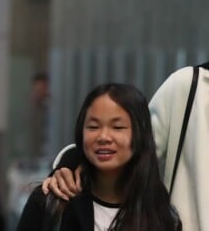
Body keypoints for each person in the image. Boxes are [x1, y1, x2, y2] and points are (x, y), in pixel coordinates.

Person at [43, 63, 209, 231]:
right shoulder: (190, 85)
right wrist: (70, 166)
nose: (103, 136)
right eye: (93, 127)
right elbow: (136, 141)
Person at [19, 83, 181, 230]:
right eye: (93, 126)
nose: (103, 137)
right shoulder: (50, 203)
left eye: (117, 127)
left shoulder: (161, 217)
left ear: (140, 135)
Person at [29, 72, 50, 157]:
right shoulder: (34, 110)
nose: (37, 93)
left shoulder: (53, 110)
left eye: (40, 90)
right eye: (36, 90)